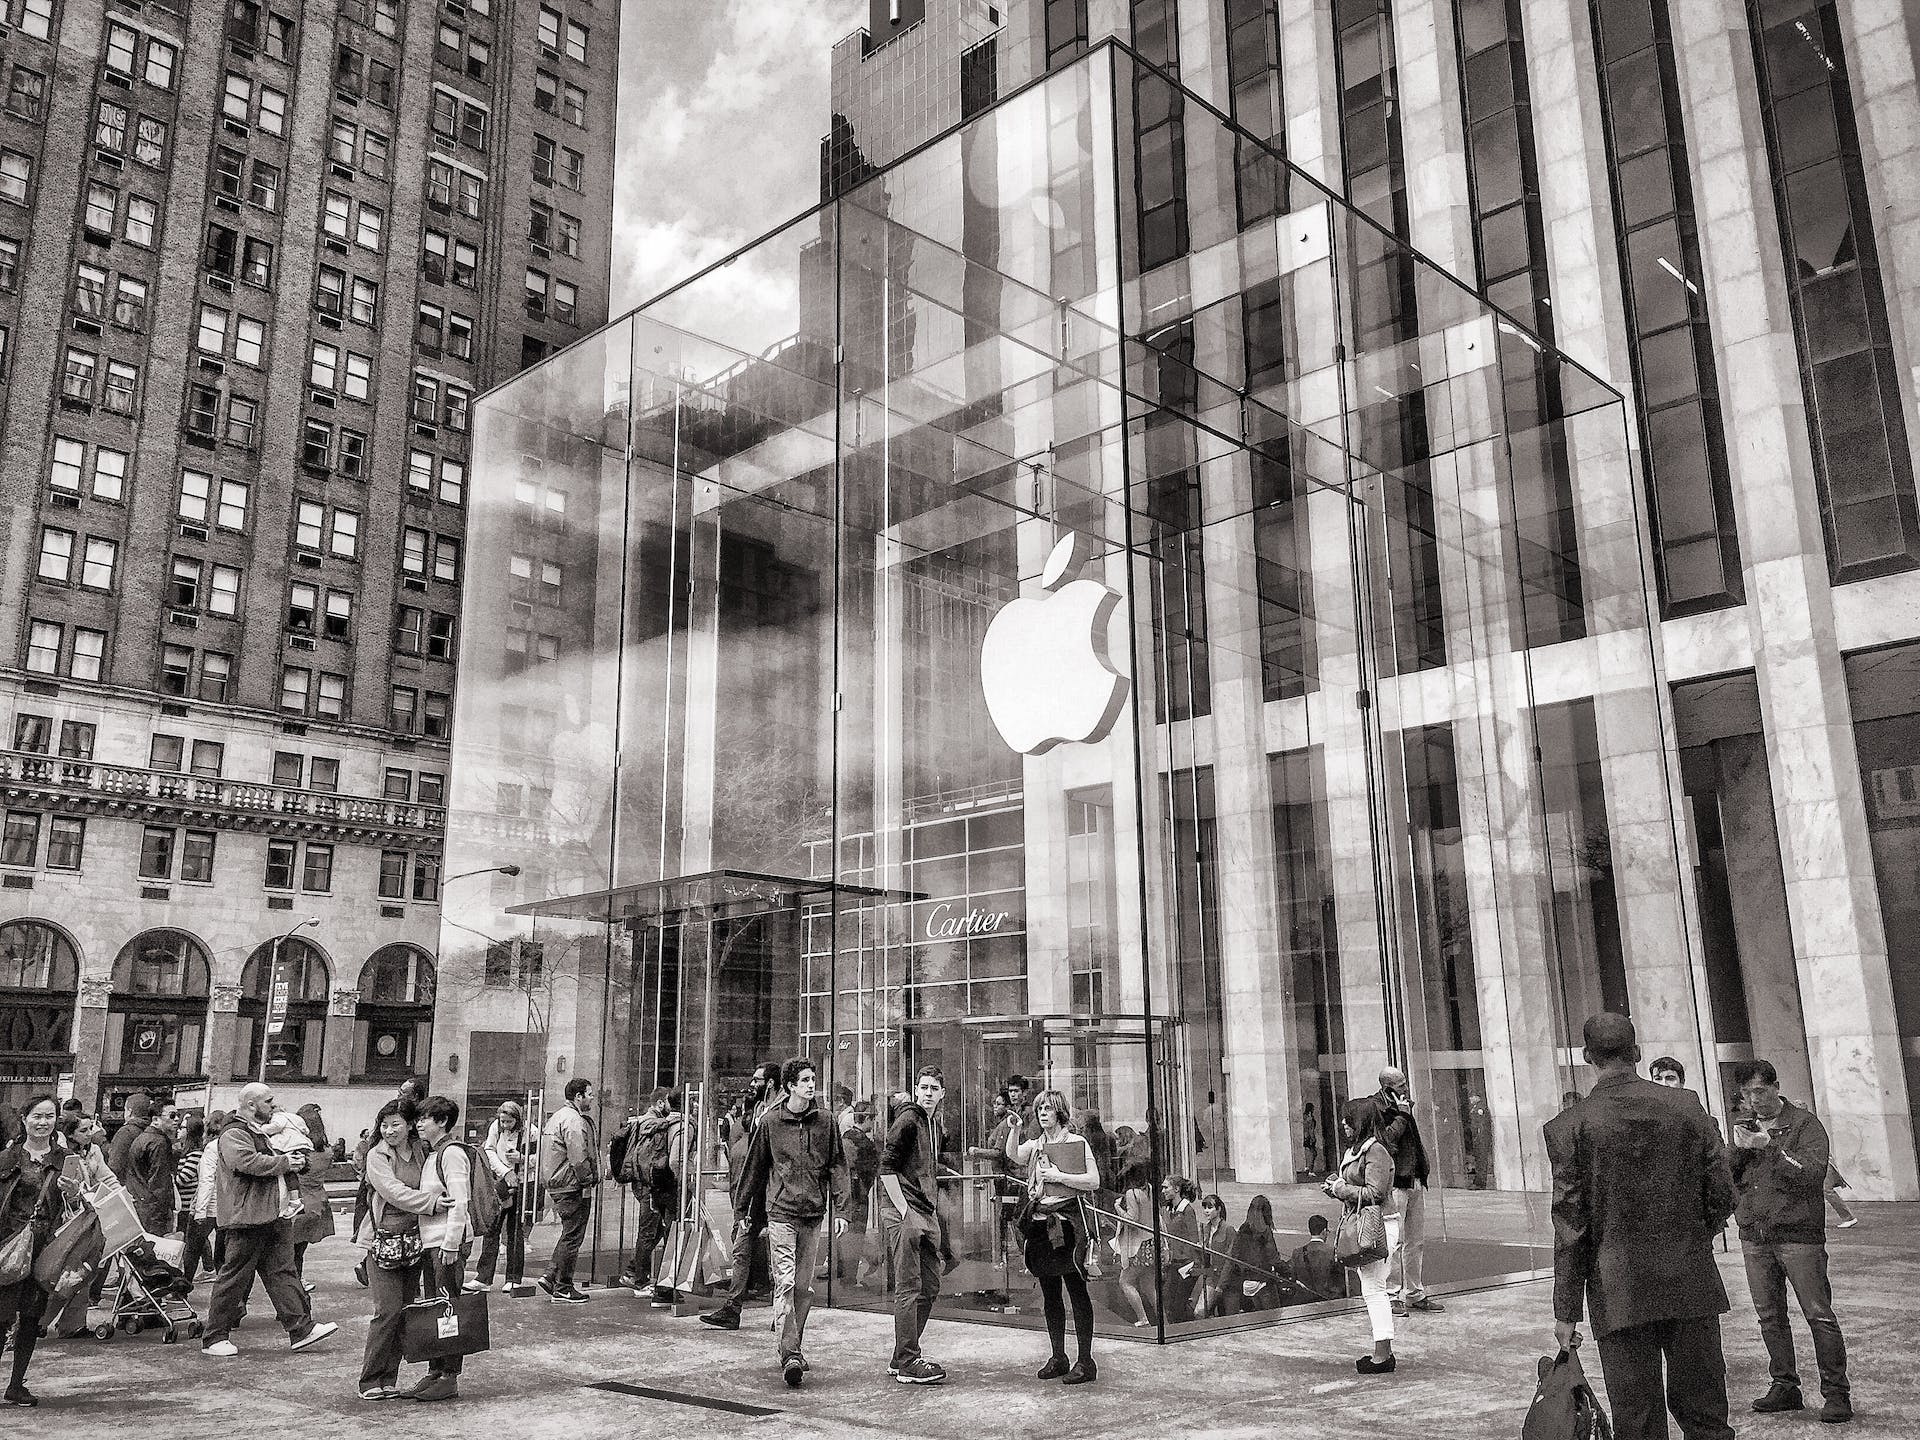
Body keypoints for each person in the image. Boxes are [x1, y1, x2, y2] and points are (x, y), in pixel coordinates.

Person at [1546, 1013, 1736, 1440]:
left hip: (1618, 1286)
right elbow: (1722, 1190)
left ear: (1586, 1057)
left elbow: (1570, 1226)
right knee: (1706, 1412)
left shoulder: (1569, 1127)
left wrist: (1566, 1310)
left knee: (1637, 1418)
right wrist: (1694, 1233)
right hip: (1689, 1274)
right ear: (1636, 1052)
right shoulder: (1686, 1105)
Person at [1728, 1059, 1851, 1424]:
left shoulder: (1804, 1125)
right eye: (1746, 1094)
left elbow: (1812, 1175)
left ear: (1776, 1086)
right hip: (1755, 1235)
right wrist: (1737, 1149)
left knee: (1818, 1314)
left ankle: (1836, 1392)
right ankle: (1785, 1385)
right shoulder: (1745, 1126)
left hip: (1799, 1236)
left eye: (1760, 1091)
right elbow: (1728, 1175)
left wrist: (1770, 1148)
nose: (1754, 1100)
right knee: (1769, 1317)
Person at [202, 1082, 338, 1358]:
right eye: (268, 1101)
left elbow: (256, 1161)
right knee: (235, 1277)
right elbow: (246, 1163)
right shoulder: (235, 1133)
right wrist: (285, 1162)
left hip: (268, 1217)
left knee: (282, 1272)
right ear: (251, 1105)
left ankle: (301, 1329)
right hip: (247, 1219)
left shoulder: (254, 1132)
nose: (274, 1106)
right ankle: (214, 1336)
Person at [737, 1057, 847, 1388]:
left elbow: (838, 1167)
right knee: (784, 1282)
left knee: (803, 1287)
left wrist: (841, 1209)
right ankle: (790, 1352)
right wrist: (744, 1210)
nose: (811, 1085)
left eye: (813, 1079)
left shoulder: (826, 1122)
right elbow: (754, 1169)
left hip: (813, 1214)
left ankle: (793, 1343)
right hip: (781, 1212)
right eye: (805, 1080)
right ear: (790, 1087)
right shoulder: (771, 1123)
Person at [356, 1098, 458, 1401]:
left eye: (395, 1124)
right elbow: (394, 1192)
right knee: (386, 1310)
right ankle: (370, 1378)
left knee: (405, 1311)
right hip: (383, 1241)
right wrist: (431, 1204)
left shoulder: (421, 1150)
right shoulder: (377, 1156)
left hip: (416, 1240)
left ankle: (389, 1378)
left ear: (410, 1124)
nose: (389, 1131)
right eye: (384, 1125)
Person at [999, 1087, 1099, 1382]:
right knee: (1050, 1293)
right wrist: (1015, 1130)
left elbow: (1093, 1180)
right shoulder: (1038, 1144)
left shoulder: (1076, 1142)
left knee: (1077, 1291)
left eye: (1047, 1109)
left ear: (1060, 1112)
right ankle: (1058, 1356)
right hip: (1042, 1223)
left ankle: (1086, 1361)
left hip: (1068, 1224)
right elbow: (1014, 1155)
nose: (1042, 1114)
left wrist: (1059, 1177)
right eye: (1039, 1109)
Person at [701, 1061, 781, 1330]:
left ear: (770, 1082)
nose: (753, 1084)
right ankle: (733, 1307)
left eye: (758, 1080)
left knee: (777, 1253)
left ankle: (779, 1310)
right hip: (753, 1191)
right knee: (742, 1248)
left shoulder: (779, 1109)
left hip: (771, 1191)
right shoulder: (758, 1109)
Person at [880, 1067, 947, 1384]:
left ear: (942, 1093)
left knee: (930, 1284)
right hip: (904, 1208)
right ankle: (908, 1360)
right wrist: (904, 1210)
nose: (928, 1092)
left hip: (923, 1208)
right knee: (909, 1286)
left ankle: (901, 1355)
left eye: (934, 1087)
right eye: (923, 1087)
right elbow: (886, 1167)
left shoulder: (933, 1124)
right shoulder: (909, 1117)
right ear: (916, 1089)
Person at [0, 1095, 68, 1406]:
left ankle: (16, 1386)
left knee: (30, 1319)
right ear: (25, 1118)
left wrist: (77, 1193)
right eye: (37, 1116)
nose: (43, 1122)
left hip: (45, 1249)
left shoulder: (66, 1159)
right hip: (8, 1245)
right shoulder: (7, 1158)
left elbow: (81, 1206)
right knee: (1, 1319)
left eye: (49, 1116)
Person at [1325, 1098, 1398, 1375]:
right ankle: (1383, 1351)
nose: (1343, 1124)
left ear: (1362, 1121)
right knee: (1373, 1287)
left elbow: (1375, 1194)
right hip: (1366, 1224)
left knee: (1374, 1289)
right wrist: (1336, 1187)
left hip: (1378, 1226)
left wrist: (1341, 1190)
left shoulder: (1375, 1151)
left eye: (1349, 1119)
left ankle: (1382, 1355)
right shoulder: (1359, 1150)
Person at [1373, 1067, 1440, 1316]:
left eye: (1404, 1083)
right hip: (1396, 1183)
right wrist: (1401, 1115)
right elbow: (1386, 1141)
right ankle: (1392, 1294)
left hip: (1414, 1179)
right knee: (1395, 1241)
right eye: (1400, 1085)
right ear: (1387, 1086)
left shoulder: (1404, 1105)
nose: (1405, 1088)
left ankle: (1414, 1292)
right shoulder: (1377, 1108)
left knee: (1416, 1241)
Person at [612, 1086, 684, 1300]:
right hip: (649, 1184)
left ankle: (634, 1271)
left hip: (643, 1182)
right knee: (649, 1231)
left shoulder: (640, 1122)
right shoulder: (653, 1124)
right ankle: (639, 1279)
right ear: (660, 1103)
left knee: (655, 1230)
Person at [537, 1077, 599, 1304]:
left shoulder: (558, 1118)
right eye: (589, 1094)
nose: (592, 1098)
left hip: (560, 1184)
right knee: (573, 1236)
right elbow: (579, 1157)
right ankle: (560, 1283)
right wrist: (588, 1180)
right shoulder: (573, 1120)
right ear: (578, 1096)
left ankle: (555, 1278)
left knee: (569, 1233)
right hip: (571, 1185)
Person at [472, 1100, 527, 1292]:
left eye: (509, 1122)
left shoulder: (531, 1131)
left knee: (514, 1231)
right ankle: (484, 1277)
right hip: (502, 1179)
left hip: (522, 1181)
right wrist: (505, 1171)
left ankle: (513, 1277)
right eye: (502, 1121)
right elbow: (489, 1150)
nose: (505, 1125)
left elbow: (538, 1156)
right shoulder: (495, 1128)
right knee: (492, 1227)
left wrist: (523, 1159)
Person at [291, 1105, 336, 1289]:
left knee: (288, 1255)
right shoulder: (327, 1151)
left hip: (298, 1204)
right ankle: (298, 1283)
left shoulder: (299, 1151)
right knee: (299, 1252)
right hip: (317, 1202)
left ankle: (294, 1289)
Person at [1229, 1194, 1288, 1311]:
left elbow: (1234, 1255)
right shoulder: (1265, 1230)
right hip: (1263, 1281)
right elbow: (1273, 1259)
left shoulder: (1242, 1229)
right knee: (1273, 1319)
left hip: (1246, 1283)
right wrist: (1287, 1270)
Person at [1157, 1175, 1202, 1322]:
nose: (1163, 1190)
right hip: (1175, 1262)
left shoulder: (1187, 1210)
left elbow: (1194, 1239)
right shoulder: (1171, 1209)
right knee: (1169, 1302)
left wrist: (1194, 1264)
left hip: (1186, 1264)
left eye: (1166, 1187)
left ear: (1176, 1189)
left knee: (1177, 1306)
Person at [1189, 1192, 1234, 1319]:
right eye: (1204, 1208)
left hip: (1226, 1280)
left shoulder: (1228, 1229)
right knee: (1199, 1311)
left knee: (1228, 1316)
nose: (1206, 1211)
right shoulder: (1205, 1229)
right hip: (1211, 1276)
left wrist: (1221, 1285)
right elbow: (1206, 1259)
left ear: (1218, 1209)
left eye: (1210, 1207)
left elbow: (1230, 1260)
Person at [1290, 1212, 1341, 1302]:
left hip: (1304, 1300)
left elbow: (1293, 1277)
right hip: (1329, 1300)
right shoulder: (1332, 1252)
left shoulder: (1297, 1253)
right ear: (1324, 1231)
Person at [106, 1093, 150, 1182]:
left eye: (125, 1109)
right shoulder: (152, 1130)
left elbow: (115, 1164)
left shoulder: (126, 1132)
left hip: (128, 1185)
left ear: (129, 1111)